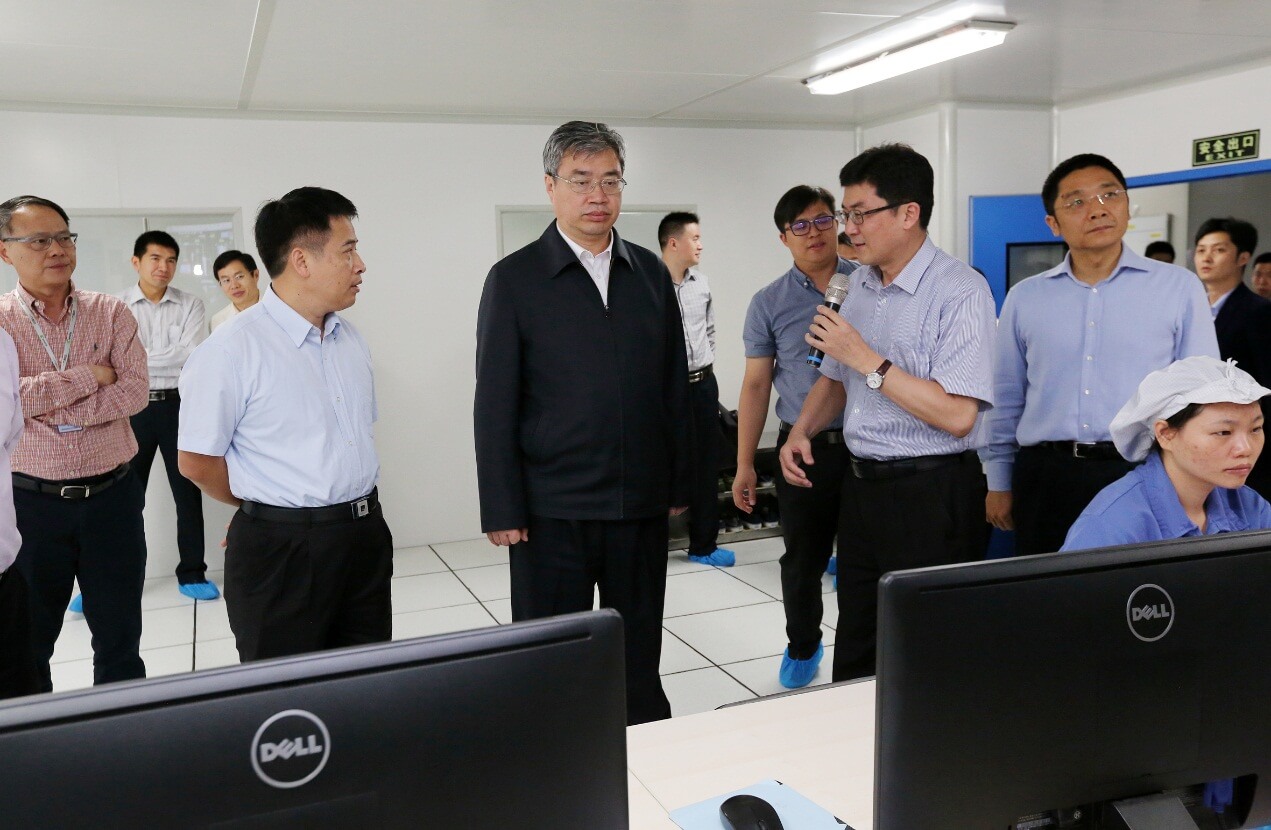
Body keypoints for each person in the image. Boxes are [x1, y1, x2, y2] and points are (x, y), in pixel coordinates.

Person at [475, 121, 690, 725]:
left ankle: (643, 741)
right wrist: (502, 505)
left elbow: (674, 385)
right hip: (552, 509)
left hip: (638, 504)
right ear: (551, 186)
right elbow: (494, 401)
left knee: (637, 650)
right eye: (581, 180)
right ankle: (553, 752)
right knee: (551, 655)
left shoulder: (650, 273)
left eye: (611, 181)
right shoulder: (514, 279)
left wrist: (679, 481)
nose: (598, 195)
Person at [780, 144, 997, 683]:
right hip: (862, 490)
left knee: (929, 651)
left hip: (933, 493)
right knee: (858, 637)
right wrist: (801, 430)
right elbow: (835, 379)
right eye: (846, 214)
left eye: (860, 214)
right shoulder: (856, 284)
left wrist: (868, 360)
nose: (848, 228)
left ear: (908, 213)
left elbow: (958, 415)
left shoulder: (960, 290)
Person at [178, 187, 393, 662]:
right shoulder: (230, 350)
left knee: (368, 682)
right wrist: (266, 507)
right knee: (288, 693)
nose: (360, 265)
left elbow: (352, 438)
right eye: (348, 250)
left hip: (364, 538)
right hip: (283, 553)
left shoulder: (350, 339)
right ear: (301, 260)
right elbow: (196, 461)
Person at [981, 154, 1219, 557]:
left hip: (1144, 470)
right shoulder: (1026, 298)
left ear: (1126, 205)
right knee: (1046, 585)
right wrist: (999, 481)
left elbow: (1201, 395)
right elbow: (1006, 397)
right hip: (1046, 475)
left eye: (1110, 195)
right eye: (1077, 201)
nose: (1098, 209)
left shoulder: (1179, 288)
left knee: (1137, 588)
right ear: (1053, 223)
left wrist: (1197, 479)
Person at [0, 195, 149, 692]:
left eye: (64, 237)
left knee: (120, 636)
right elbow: (10, 402)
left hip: (113, 498)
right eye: (40, 240)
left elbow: (134, 391)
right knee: (29, 643)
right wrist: (89, 376)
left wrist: (48, 409)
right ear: (5, 250)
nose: (57, 249)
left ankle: (125, 724)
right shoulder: (2, 321)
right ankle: (40, 732)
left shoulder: (110, 313)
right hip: (32, 505)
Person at [733, 185, 858, 689]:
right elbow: (756, 385)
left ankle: (865, 653)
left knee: (864, 560)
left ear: (837, 223)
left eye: (824, 220)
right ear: (784, 237)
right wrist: (745, 463)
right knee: (803, 560)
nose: (814, 233)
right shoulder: (769, 302)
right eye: (800, 225)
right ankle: (804, 644)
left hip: (869, 447)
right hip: (801, 451)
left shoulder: (871, 285)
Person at [1062, 356, 1271, 549]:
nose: (1245, 448)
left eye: (1255, 429)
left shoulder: (1251, 507)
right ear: (1165, 434)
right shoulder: (1110, 525)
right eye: (1223, 432)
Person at [117, 230, 217, 601]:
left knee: (187, 492)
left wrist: (138, 358)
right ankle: (117, 577)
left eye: (171, 260)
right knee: (125, 497)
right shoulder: (116, 306)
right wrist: (146, 359)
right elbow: (116, 358)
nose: (164, 267)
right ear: (137, 262)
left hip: (179, 406)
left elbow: (192, 354)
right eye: (156, 258)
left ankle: (192, 572)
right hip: (133, 408)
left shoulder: (191, 304)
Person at [658, 211, 733, 568]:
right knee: (663, 463)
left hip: (703, 385)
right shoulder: (648, 285)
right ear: (674, 243)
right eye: (695, 238)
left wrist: (704, 365)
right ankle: (651, 544)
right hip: (665, 391)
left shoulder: (701, 283)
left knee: (706, 464)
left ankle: (704, 545)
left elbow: (710, 331)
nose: (701, 245)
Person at [1195, 217, 1271, 499]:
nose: (1206, 258)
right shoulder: (1190, 309)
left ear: (1243, 257)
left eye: (1219, 250)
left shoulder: (1259, 312)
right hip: (1197, 441)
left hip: (1242, 444)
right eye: (1201, 250)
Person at [0, 326, 38, 700]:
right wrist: (89, 377)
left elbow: (12, 433)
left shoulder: (1, 340)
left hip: (4, 577)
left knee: (21, 706)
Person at [210, 250, 262, 331]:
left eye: (239, 277)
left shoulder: (278, 306)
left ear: (256, 275)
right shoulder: (218, 321)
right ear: (220, 285)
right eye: (226, 280)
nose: (234, 286)